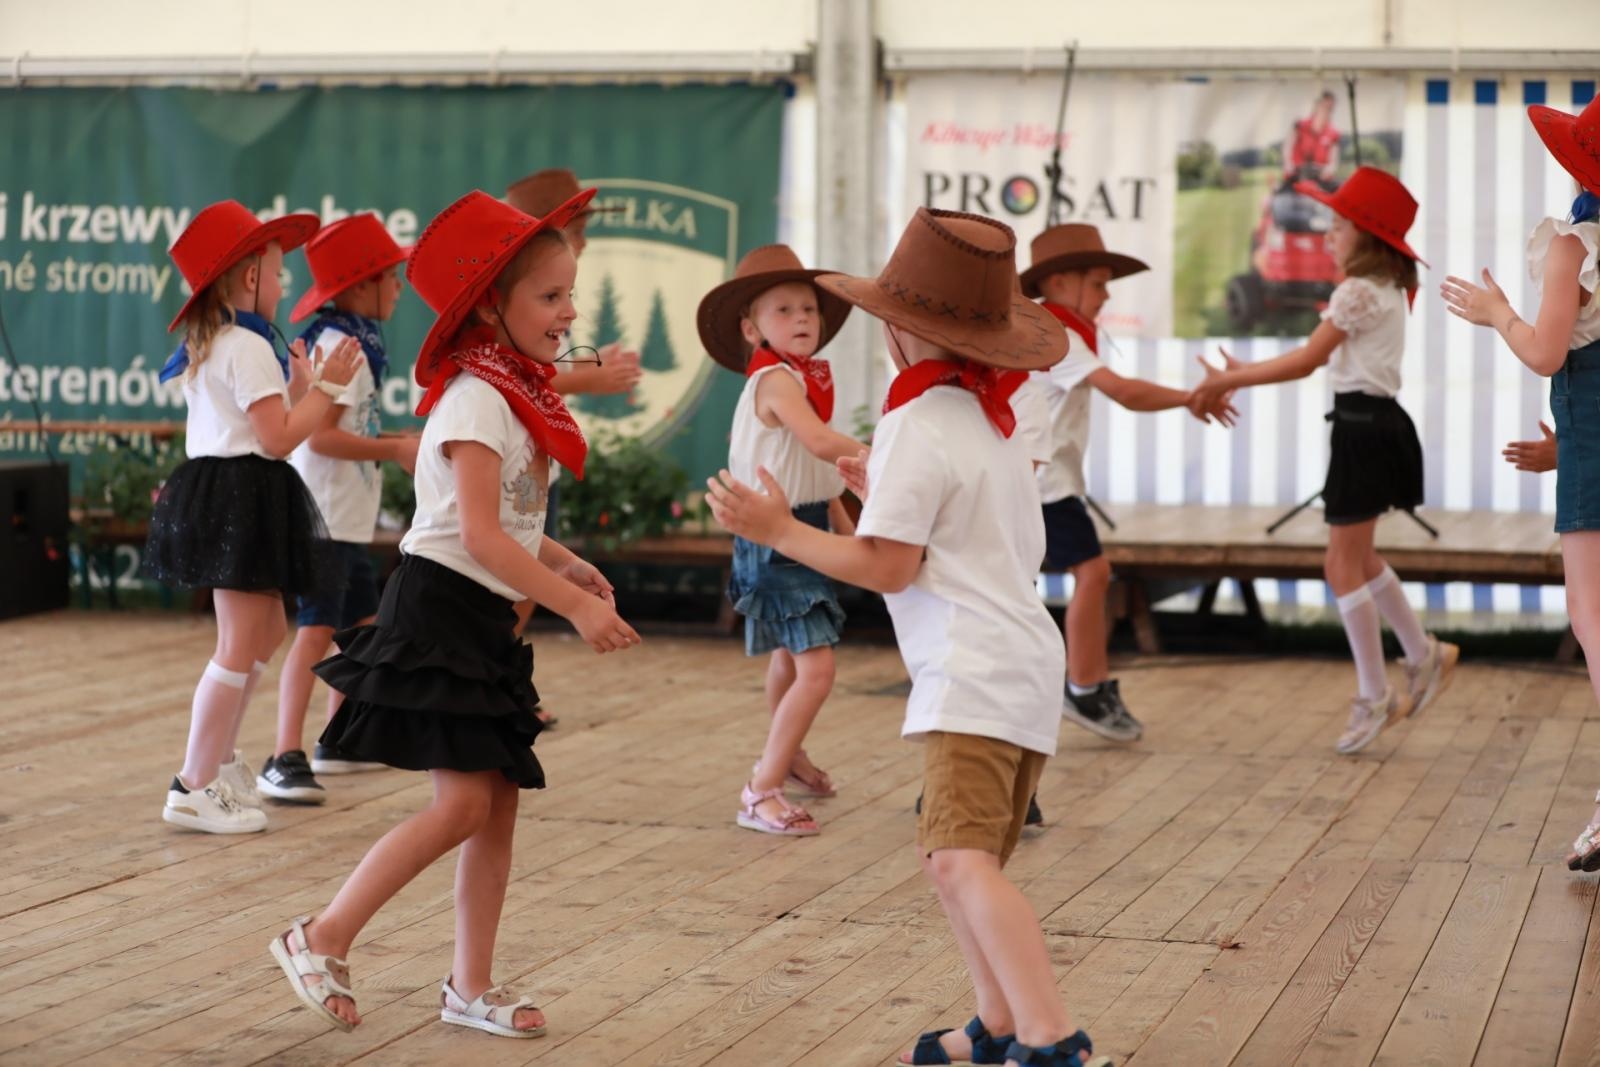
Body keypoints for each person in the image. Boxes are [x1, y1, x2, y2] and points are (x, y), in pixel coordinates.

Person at [708, 207, 1109, 1067]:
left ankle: (1050, 1038)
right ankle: (996, 1024)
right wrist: (873, 480)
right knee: (951, 855)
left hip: (973, 671)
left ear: (895, 330)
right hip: (1019, 663)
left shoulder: (918, 423)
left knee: (962, 862)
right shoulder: (989, 421)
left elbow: (888, 566)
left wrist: (778, 529)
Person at [269, 189, 640, 1035]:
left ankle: (470, 985)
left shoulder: (515, 391)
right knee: (465, 806)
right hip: (440, 608)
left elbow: (507, 520)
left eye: (571, 294)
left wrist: (563, 559)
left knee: (496, 804)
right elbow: (474, 533)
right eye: (550, 296)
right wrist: (574, 606)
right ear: (490, 305)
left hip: (484, 616)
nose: (569, 312)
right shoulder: (477, 396)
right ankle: (321, 933)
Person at [1193, 166, 1458, 755]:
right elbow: (1318, 356)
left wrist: (1231, 378)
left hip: (1363, 431)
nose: (1328, 235)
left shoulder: (1357, 291)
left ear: (1367, 236)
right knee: (1358, 558)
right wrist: (1241, 372)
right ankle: (1422, 654)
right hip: (1374, 426)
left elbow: (1307, 360)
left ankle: (1375, 693)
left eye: (1338, 226)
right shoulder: (1383, 289)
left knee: (1341, 565)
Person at [145, 200, 361, 834]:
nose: (285, 283)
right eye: (279, 272)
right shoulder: (245, 345)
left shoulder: (223, 341)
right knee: (239, 643)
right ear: (248, 277)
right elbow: (277, 437)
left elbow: (261, 423)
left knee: (265, 631)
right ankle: (193, 784)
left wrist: (301, 389)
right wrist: (327, 389)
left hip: (236, 491)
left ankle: (218, 762)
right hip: (240, 494)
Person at [1441, 93, 1600, 869]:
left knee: (1592, 618)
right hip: (1586, 443)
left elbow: (1545, 352)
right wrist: (1565, 448)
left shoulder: (1576, 243)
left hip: (1592, 443)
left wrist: (1496, 311)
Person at [1018, 223, 1237, 744]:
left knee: (1056, 581)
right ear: (1060, 282)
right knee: (1091, 572)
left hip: (1037, 480)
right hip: (1042, 484)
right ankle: (1082, 688)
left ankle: (1063, 689)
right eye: (1098, 283)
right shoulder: (1059, 335)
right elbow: (1121, 391)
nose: (1107, 294)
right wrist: (1189, 397)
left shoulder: (1050, 330)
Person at [697, 244, 863, 835]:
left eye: (809, 309)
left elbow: (813, 469)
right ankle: (760, 789)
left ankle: (786, 756)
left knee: (789, 659)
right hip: (776, 536)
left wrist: (845, 526)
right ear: (752, 329)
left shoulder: (797, 379)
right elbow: (819, 444)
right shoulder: (774, 380)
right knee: (816, 669)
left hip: (801, 527)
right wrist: (890, 455)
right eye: (784, 310)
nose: (801, 319)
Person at [260, 215, 421, 801]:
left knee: (359, 626)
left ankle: (339, 738)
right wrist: (396, 449)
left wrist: (396, 438)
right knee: (316, 628)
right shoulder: (340, 346)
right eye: (391, 277)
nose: (400, 287)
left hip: (345, 517)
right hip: (323, 518)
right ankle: (284, 754)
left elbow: (352, 429)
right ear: (360, 286)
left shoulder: (356, 341)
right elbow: (322, 438)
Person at [505, 167, 643, 728]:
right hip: (517, 473)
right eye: (578, 229)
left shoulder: (539, 302)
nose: (583, 242)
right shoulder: (514, 308)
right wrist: (591, 377)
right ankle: (500, 683)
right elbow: (515, 378)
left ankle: (507, 681)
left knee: (524, 583)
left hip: (536, 470)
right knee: (515, 582)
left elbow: (535, 372)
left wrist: (589, 369)